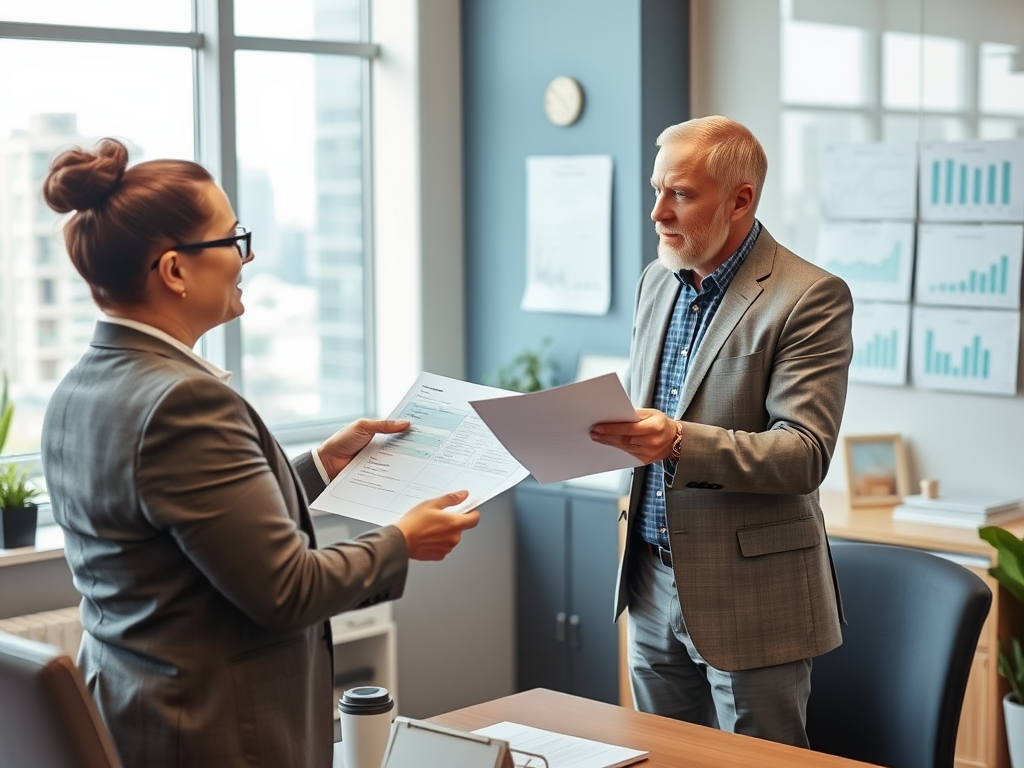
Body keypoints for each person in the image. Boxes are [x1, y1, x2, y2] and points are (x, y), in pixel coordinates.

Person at [39, 137, 480, 768]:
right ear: (174, 270)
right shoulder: (183, 401)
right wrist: (401, 541)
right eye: (233, 238)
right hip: (212, 734)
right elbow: (285, 591)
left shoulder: (82, 386)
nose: (249, 255)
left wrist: (319, 467)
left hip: (137, 713)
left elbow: (186, 527)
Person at [589, 116, 853, 747]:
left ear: (741, 200)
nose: (657, 212)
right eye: (656, 190)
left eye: (679, 194)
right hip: (648, 580)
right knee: (662, 756)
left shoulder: (807, 295)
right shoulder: (657, 280)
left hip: (751, 592)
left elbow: (804, 453)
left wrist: (678, 440)